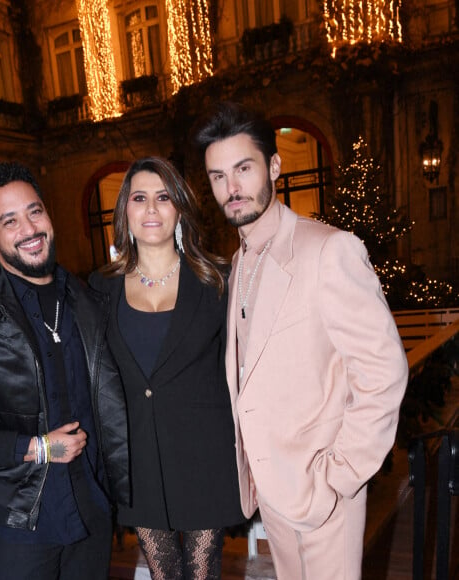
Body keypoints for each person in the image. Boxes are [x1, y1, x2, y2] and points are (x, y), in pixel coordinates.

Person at [193, 102, 409, 580]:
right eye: (218, 176)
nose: (231, 189)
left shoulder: (328, 250)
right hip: (272, 489)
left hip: (322, 488)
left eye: (243, 169)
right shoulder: (240, 261)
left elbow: (384, 370)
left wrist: (340, 477)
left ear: (273, 166)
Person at [0, 162, 129, 580]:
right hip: (18, 520)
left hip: (90, 508)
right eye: (9, 220)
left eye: (35, 211)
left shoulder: (87, 304)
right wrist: (37, 448)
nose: (29, 228)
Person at [89, 156, 245, 580]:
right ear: (125, 210)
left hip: (206, 454)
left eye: (163, 197)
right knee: (163, 572)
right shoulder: (100, 288)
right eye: (140, 198)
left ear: (179, 208)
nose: (152, 209)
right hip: (139, 458)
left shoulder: (218, 279)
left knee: (201, 570)